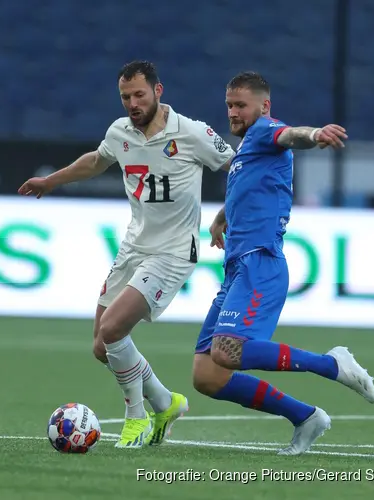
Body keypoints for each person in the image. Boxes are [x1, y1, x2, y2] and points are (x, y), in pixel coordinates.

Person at [18, 61, 235, 448]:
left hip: (172, 253)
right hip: (134, 247)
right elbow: (97, 160)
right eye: (125, 97)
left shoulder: (192, 133)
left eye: (139, 95)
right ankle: (166, 404)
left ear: (158, 91)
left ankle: (136, 419)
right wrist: (50, 181)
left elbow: (237, 166)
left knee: (114, 329)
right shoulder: (120, 132)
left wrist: (223, 217)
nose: (132, 103)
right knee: (102, 346)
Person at [192, 71, 374, 456]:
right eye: (229, 105)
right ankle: (306, 417)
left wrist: (314, 134)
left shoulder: (265, 130)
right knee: (207, 376)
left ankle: (330, 364)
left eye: (240, 105)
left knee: (227, 351)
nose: (233, 112)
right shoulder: (246, 151)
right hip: (237, 268)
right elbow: (252, 188)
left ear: (264, 106)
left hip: (261, 264)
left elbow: (291, 135)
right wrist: (222, 218)